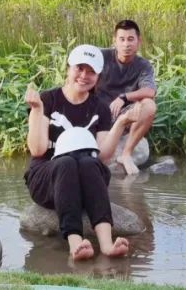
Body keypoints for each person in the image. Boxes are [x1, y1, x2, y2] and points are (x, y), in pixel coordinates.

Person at [24, 44, 143, 260]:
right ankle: (75, 243)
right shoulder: (48, 100)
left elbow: (103, 157)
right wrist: (37, 110)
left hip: (85, 177)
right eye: (79, 68)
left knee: (89, 162)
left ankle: (107, 244)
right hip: (47, 176)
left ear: (98, 75)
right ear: (69, 68)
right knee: (67, 163)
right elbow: (37, 149)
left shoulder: (100, 108)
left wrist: (122, 122)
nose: (84, 75)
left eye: (91, 71)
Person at [96, 20, 157, 174]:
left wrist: (124, 97)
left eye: (131, 39)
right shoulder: (100, 56)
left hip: (125, 116)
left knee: (149, 105)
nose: (126, 44)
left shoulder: (143, 65)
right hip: (97, 113)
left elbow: (150, 91)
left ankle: (126, 154)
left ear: (139, 41)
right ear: (114, 41)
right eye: (121, 39)